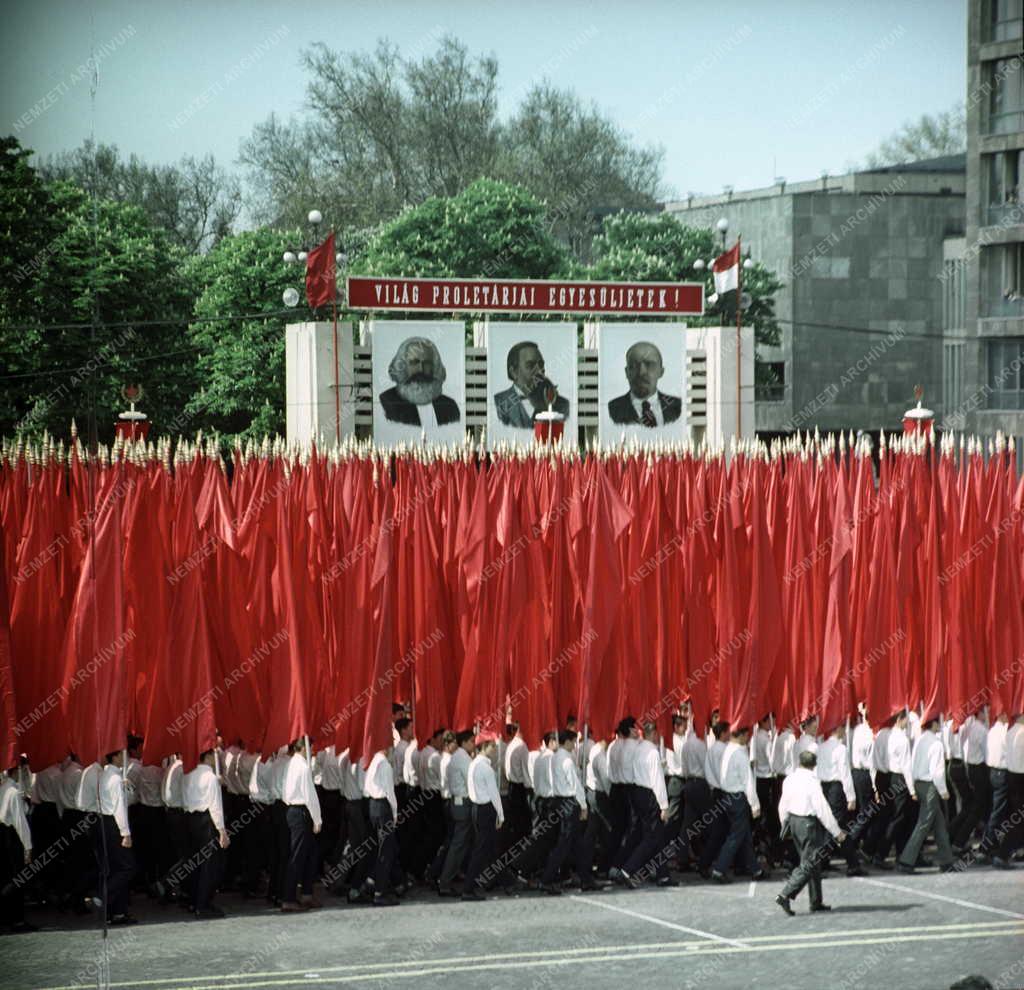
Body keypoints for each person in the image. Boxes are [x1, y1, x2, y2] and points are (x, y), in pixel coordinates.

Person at [775, 750, 844, 915]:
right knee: (810, 863)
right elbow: (822, 809)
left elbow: (783, 804)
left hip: (793, 821)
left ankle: (816, 901)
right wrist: (836, 832)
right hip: (808, 824)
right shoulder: (812, 782)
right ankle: (786, 894)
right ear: (814, 765)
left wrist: (784, 823)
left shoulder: (790, 779)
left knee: (813, 862)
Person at [80, 752, 136, 925]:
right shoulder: (114, 779)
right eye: (122, 755)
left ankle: (116, 912)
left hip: (104, 822)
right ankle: (99, 896)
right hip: (113, 824)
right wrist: (125, 833)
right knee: (127, 868)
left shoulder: (105, 776)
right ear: (117, 757)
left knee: (113, 868)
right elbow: (119, 807)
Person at [897, 716, 955, 874]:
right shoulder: (936, 743)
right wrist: (943, 791)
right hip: (930, 785)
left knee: (939, 824)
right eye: (938, 723)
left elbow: (912, 763)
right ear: (934, 724)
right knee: (923, 824)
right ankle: (906, 860)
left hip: (919, 783)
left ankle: (947, 860)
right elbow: (937, 772)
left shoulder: (920, 740)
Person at [540, 729, 592, 894]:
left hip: (560, 801)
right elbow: (575, 785)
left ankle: (586, 879)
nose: (575, 745)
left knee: (577, 843)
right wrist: (583, 805)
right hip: (570, 801)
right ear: (568, 742)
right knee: (564, 843)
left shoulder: (555, 757)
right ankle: (546, 879)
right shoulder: (567, 761)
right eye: (573, 742)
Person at [622, 722, 672, 887]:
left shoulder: (638, 748)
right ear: (655, 733)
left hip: (638, 792)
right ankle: (629, 869)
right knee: (652, 837)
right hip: (650, 795)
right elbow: (657, 780)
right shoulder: (652, 752)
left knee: (656, 835)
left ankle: (662, 874)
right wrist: (664, 806)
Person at [711, 726, 764, 883]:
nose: (748, 738)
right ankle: (719, 869)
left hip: (727, 795)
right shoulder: (740, 754)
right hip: (737, 797)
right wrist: (755, 805)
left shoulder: (727, 750)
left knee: (744, 834)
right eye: (747, 735)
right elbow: (747, 781)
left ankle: (756, 869)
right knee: (736, 836)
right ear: (741, 735)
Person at [182, 749, 229, 918]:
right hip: (207, 820)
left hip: (191, 818)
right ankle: (203, 905)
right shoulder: (210, 777)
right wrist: (222, 831)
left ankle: (194, 901)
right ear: (208, 757)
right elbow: (215, 805)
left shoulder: (188, 773)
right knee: (210, 865)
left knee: (195, 862)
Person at [462, 735, 509, 899]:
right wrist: (501, 815)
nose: (495, 750)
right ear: (485, 747)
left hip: (476, 807)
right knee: (482, 849)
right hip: (485, 809)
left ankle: (496, 880)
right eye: (493, 747)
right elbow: (494, 794)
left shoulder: (473, 764)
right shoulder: (486, 768)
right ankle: (469, 887)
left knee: (485, 848)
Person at [378, 337, 461, 427]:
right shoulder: (387, 401)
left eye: (427, 363)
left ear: (434, 367)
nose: (421, 369)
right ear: (403, 366)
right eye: (414, 362)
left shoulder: (449, 406)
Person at [816, 723, 864, 876]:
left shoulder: (821, 747)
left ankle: (828, 861)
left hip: (824, 786)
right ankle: (848, 863)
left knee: (830, 825)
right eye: (842, 727)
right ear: (836, 729)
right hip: (836, 788)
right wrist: (851, 796)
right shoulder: (841, 749)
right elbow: (845, 773)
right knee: (837, 826)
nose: (844, 730)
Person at [281, 738, 322, 911]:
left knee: (308, 854)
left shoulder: (290, 764)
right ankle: (288, 898)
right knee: (298, 856)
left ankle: (306, 894)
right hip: (301, 811)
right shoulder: (303, 767)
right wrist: (317, 819)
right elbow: (309, 795)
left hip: (292, 809)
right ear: (305, 747)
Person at [494, 341, 570, 428]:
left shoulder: (563, 404)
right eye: (530, 365)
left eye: (541, 365)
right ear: (513, 372)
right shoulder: (498, 402)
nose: (540, 371)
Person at [364, 743, 404, 907]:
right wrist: (395, 813)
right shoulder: (385, 764)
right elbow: (390, 792)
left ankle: (372, 881)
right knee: (385, 851)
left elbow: (366, 788)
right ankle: (379, 892)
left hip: (373, 805)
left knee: (384, 849)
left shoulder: (374, 761)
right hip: (383, 807)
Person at [607, 341, 681, 427]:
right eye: (634, 365)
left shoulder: (678, 407)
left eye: (649, 364)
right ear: (627, 372)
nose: (641, 372)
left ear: (661, 371)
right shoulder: (611, 409)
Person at [437, 730, 474, 897]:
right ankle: (445, 881)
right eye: (472, 741)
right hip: (462, 803)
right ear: (464, 742)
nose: (473, 744)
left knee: (459, 844)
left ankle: (449, 877)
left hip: (457, 802)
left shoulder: (457, 756)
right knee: (458, 845)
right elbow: (471, 780)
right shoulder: (463, 758)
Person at [976, 711, 1013, 868]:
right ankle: (986, 848)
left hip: (993, 771)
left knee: (999, 811)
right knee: (998, 812)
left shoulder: (991, 730)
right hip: (1003, 772)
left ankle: (993, 846)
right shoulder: (1005, 732)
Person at [0, 766, 35, 933]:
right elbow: (20, 822)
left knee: (7, 877)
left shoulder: (3, 787)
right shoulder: (13, 791)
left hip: (4, 834)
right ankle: (18, 920)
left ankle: (8, 917)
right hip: (12, 836)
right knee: (18, 879)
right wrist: (28, 847)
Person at [951, 708, 990, 853]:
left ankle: (956, 838)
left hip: (970, 768)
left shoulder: (968, 728)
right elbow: (987, 754)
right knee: (978, 808)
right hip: (980, 769)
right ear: (979, 713)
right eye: (985, 711)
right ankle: (960, 840)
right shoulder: (982, 730)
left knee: (975, 807)